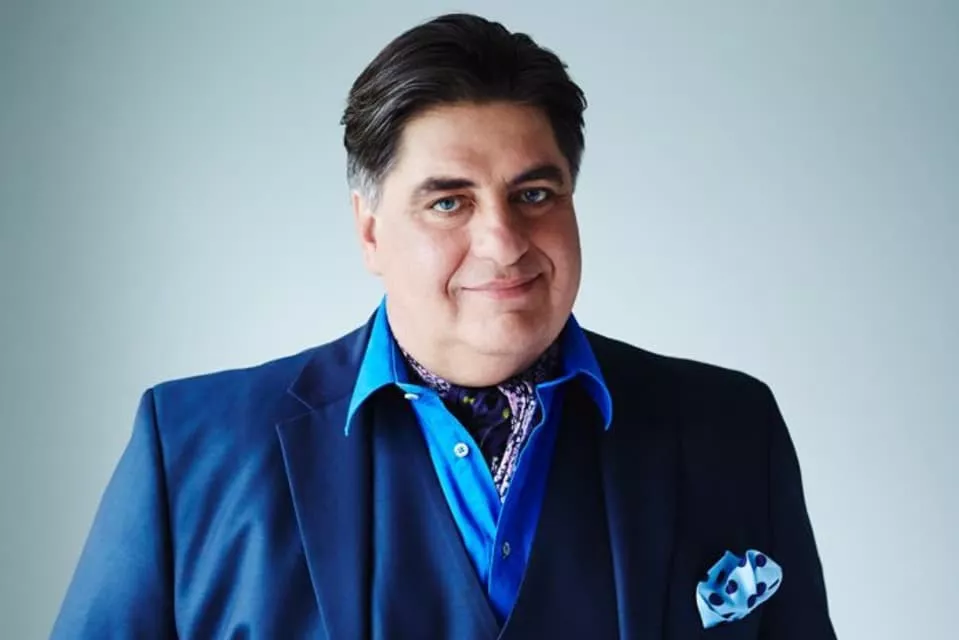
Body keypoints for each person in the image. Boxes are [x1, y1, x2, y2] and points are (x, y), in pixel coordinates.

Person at [52, 12, 836, 639]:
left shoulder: (732, 430)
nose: (503, 241)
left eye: (534, 195)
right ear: (369, 232)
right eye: (448, 201)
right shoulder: (191, 449)